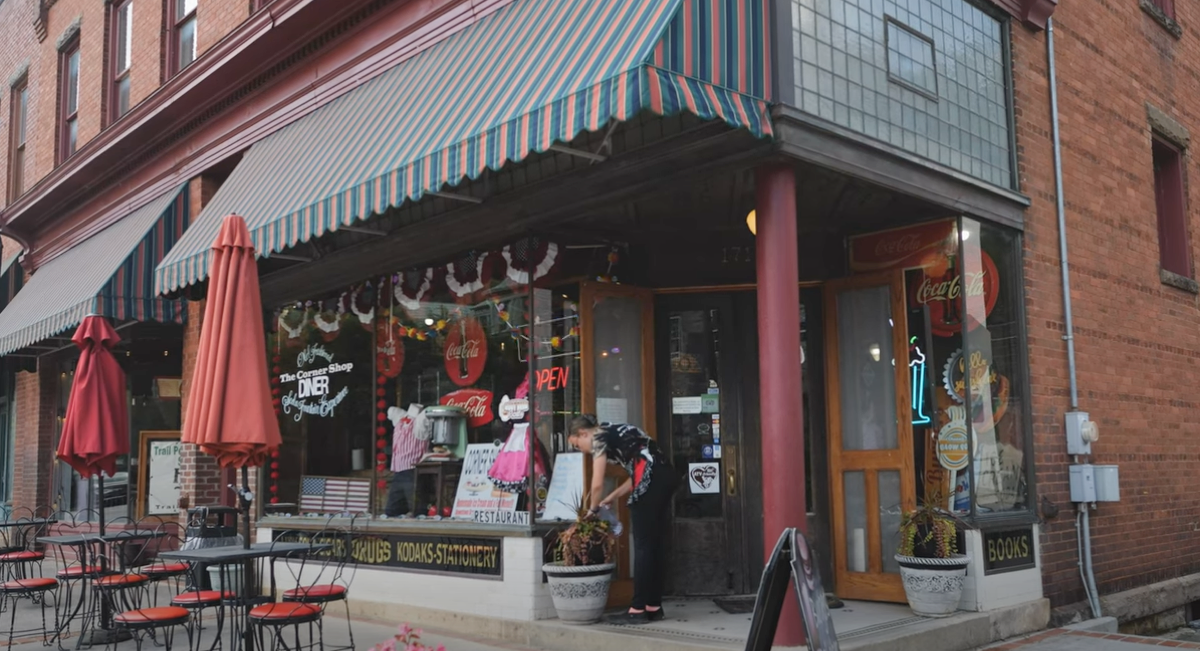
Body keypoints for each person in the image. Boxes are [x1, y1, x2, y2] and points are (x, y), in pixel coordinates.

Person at [567, 415, 677, 625]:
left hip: (649, 481)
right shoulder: (615, 430)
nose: (580, 450)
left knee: (644, 546)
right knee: (654, 545)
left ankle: (637, 610)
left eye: (577, 445)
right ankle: (653, 606)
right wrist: (612, 497)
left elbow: (597, 483)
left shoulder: (598, 438)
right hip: (665, 476)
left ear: (583, 433)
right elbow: (641, 468)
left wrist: (592, 510)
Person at [386, 405, 427, 517]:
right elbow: (391, 411)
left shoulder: (421, 420)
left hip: (412, 470)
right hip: (398, 471)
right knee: (391, 510)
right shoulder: (399, 419)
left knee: (417, 509)